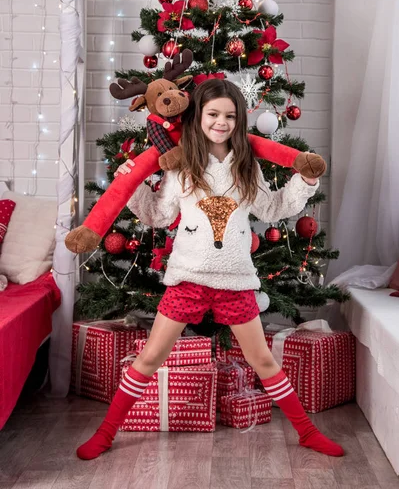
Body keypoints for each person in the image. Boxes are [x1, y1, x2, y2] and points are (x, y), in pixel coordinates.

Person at [77, 79, 344, 460]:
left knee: (263, 360)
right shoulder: (181, 166)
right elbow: (159, 214)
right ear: (199, 116)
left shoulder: (248, 167)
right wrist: (132, 184)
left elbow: (272, 209)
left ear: (239, 120)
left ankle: (305, 432)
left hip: (235, 281)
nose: (221, 122)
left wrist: (305, 181)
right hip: (188, 280)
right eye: (213, 114)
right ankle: (105, 434)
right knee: (150, 357)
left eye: (230, 115)